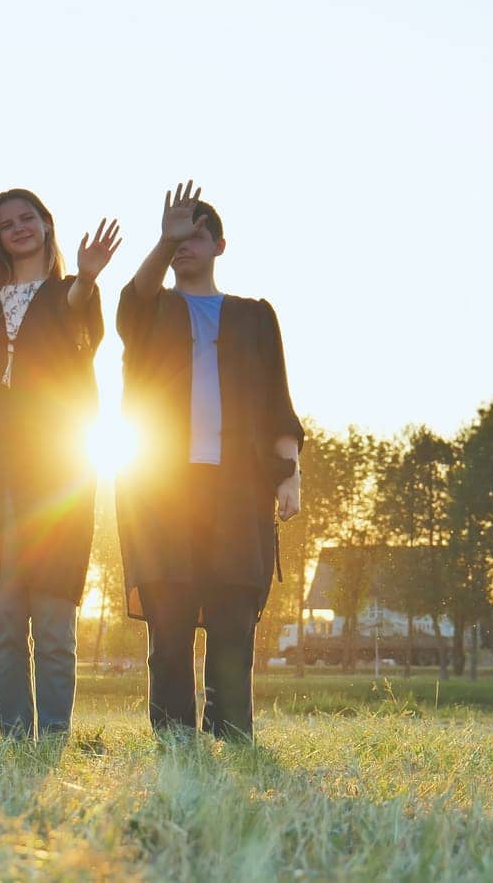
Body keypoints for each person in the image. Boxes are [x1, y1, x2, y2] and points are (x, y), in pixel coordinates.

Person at [115, 181, 302, 742]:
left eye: (198, 234)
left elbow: (278, 402)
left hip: (237, 489)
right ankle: (174, 732)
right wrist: (161, 240)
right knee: (168, 615)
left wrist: (290, 473)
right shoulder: (153, 310)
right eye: (178, 235)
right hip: (161, 487)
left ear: (221, 245)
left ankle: (231, 728)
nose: (185, 244)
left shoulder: (254, 317)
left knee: (233, 612)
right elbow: (129, 304)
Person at [0, 188, 119, 739]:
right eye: (6, 223)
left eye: (27, 219)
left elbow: (80, 333)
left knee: (56, 619)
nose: (17, 228)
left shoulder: (70, 293)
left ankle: (54, 736)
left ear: (46, 224)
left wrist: (88, 278)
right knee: (2, 621)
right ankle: (15, 736)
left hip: (55, 474)